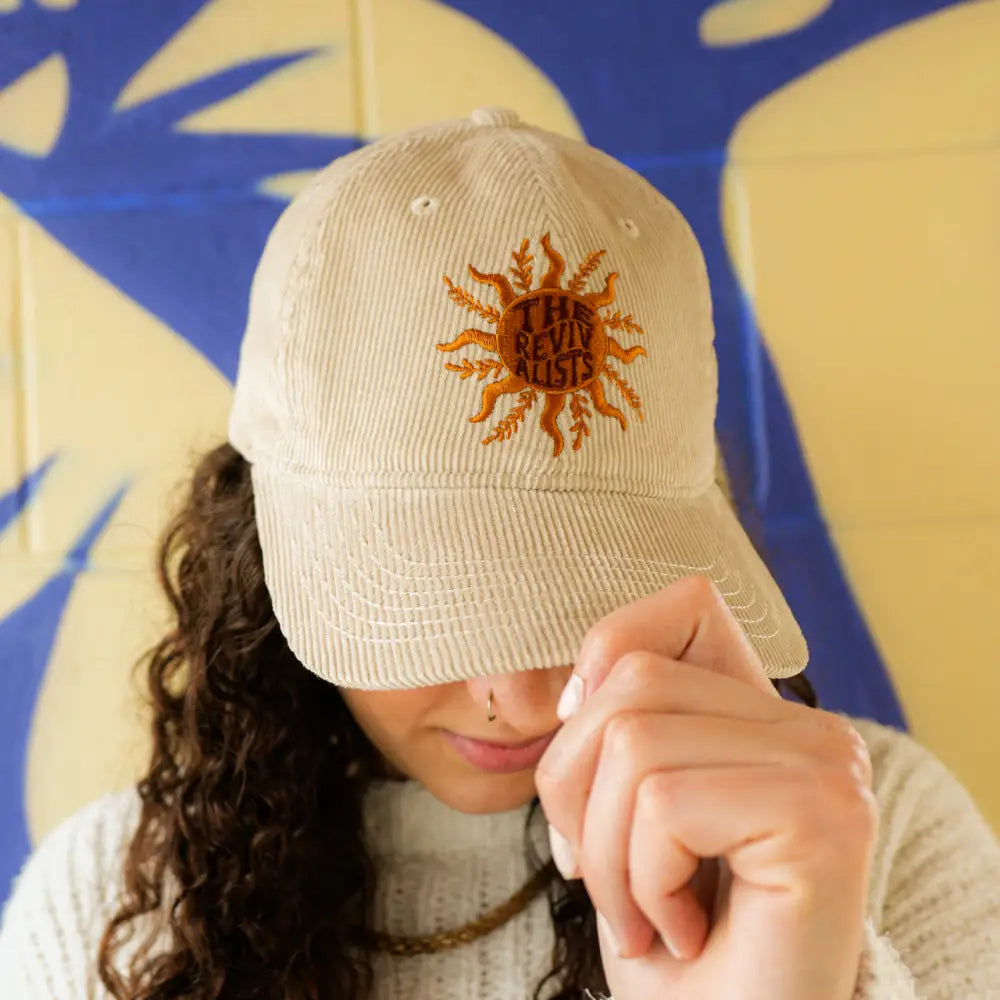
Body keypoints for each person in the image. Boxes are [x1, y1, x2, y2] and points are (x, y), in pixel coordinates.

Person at [1, 105, 998, 1000]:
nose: (518, 695)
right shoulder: (110, 920)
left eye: (578, 585)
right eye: (431, 594)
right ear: (264, 559)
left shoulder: (874, 834)